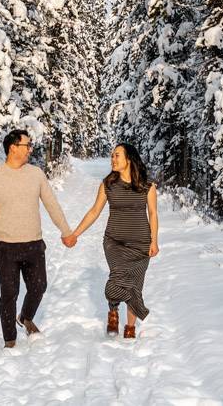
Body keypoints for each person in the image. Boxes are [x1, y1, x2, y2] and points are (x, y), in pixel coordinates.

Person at [0, 129, 76, 348]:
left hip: (33, 243)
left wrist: (66, 231)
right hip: (6, 246)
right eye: (27, 145)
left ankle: (26, 317)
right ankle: (10, 340)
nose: (30, 149)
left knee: (39, 286)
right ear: (13, 148)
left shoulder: (36, 174)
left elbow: (52, 205)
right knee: (9, 293)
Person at [64, 142, 158, 339]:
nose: (112, 159)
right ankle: (113, 310)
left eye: (117, 155)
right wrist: (75, 233)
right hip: (114, 242)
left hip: (141, 245)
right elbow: (94, 211)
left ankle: (130, 328)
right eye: (112, 156)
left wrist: (154, 241)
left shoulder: (147, 187)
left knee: (135, 284)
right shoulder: (108, 184)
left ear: (129, 159)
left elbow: (153, 214)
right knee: (117, 278)